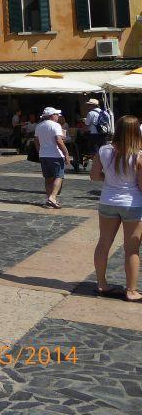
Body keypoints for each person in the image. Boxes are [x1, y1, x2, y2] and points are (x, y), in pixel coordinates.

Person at [90, 115, 142, 301]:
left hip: (107, 201)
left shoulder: (104, 150)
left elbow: (95, 175)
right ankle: (131, 290)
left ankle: (102, 284)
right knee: (132, 249)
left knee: (103, 243)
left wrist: (110, 181)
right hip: (132, 204)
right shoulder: (138, 155)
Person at [35, 107, 69, 209]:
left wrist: (40, 151)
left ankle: (49, 198)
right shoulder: (56, 125)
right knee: (59, 176)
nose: (58, 116)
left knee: (48, 178)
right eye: (56, 114)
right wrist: (66, 154)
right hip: (55, 155)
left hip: (43, 155)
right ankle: (53, 197)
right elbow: (59, 140)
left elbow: (36, 141)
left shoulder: (39, 126)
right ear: (51, 116)